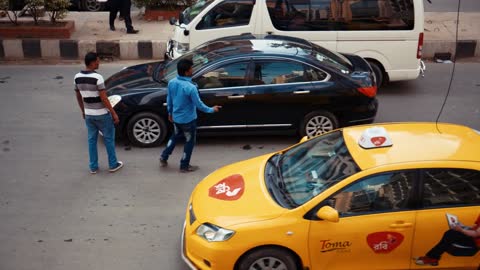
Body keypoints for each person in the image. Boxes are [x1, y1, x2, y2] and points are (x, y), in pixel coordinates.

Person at [159, 59, 221, 173]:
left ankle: (164, 156)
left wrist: (170, 112)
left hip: (176, 118)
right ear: (187, 72)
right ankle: (184, 165)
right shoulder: (191, 87)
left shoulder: (172, 82)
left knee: (175, 136)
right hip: (188, 120)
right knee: (189, 142)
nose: (193, 70)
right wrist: (212, 109)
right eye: (191, 69)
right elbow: (199, 105)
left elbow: (169, 99)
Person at [74, 52, 124, 174]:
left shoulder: (77, 77)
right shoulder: (98, 78)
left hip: (89, 115)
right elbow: (104, 98)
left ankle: (93, 167)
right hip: (102, 114)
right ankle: (113, 164)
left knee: (91, 141)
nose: (98, 62)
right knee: (109, 139)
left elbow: (79, 96)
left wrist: (83, 111)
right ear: (92, 62)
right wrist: (113, 113)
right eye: (97, 61)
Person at [415, 214, 480, 266]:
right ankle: (431, 257)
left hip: (476, 242)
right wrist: (462, 226)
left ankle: (432, 257)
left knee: (450, 235)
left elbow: (476, 234)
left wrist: (461, 230)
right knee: (450, 233)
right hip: (473, 237)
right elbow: (475, 227)